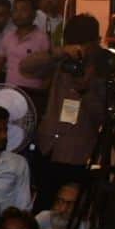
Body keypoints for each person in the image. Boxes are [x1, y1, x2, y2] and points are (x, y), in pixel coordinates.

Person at [25, 14, 108, 202]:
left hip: (77, 155)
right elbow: (26, 67)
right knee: (43, 205)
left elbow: (103, 117)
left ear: (97, 42)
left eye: (84, 44)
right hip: (47, 148)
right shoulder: (62, 61)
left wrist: (86, 91)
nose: (80, 50)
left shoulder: (105, 69)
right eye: (74, 44)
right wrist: (60, 52)